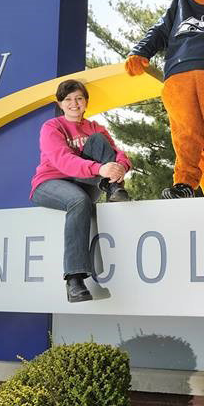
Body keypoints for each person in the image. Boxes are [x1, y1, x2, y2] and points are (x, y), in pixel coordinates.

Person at [30, 79, 131, 303]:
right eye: (68, 100)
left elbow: (116, 153)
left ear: (86, 102)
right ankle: (74, 280)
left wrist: (121, 166)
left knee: (98, 141)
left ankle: (113, 186)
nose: (74, 103)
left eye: (79, 98)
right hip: (51, 182)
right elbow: (63, 161)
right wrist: (100, 168)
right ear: (60, 103)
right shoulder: (52, 127)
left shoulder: (96, 127)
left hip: (86, 181)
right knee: (78, 201)